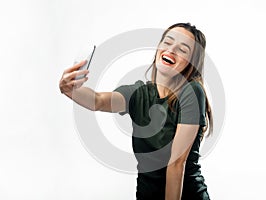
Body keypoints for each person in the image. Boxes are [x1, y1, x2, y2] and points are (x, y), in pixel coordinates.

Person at [59, 22, 213, 200]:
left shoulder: (192, 92)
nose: (172, 50)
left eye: (183, 49)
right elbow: (98, 101)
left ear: (191, 63)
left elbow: (176, 163)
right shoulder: (138, 93)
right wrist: (69, 89)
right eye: (168, 42)